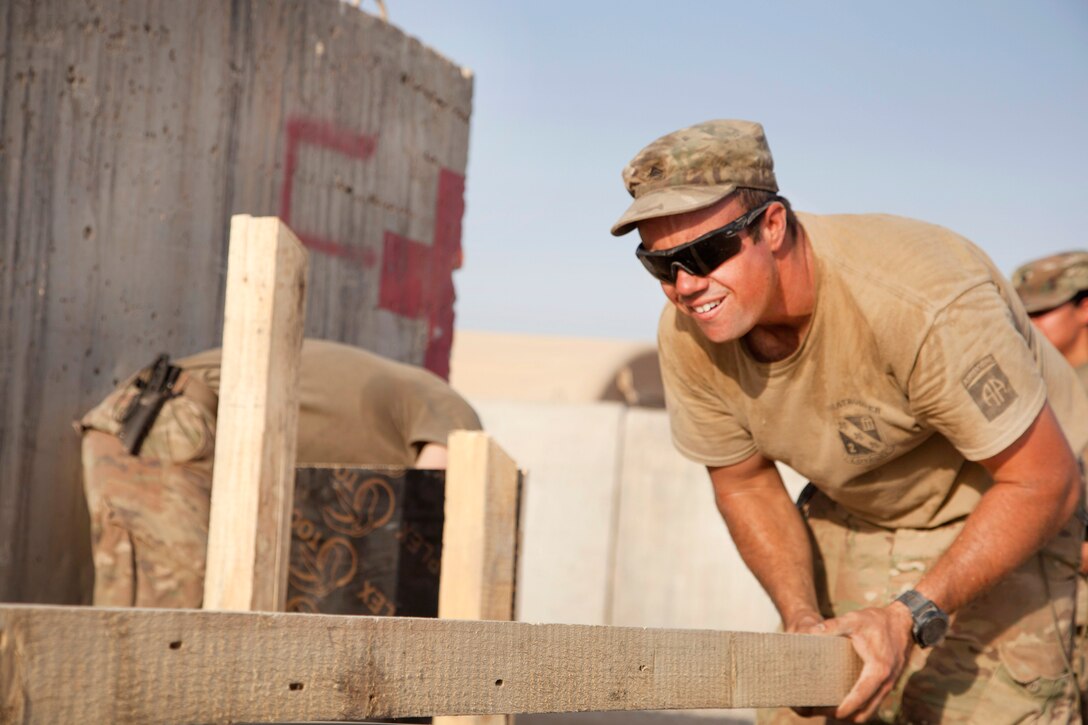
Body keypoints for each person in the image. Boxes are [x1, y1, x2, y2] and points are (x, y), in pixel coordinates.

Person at [611, 119, 1088, 723]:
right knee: (808, 702)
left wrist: (906, 615)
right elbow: (745, 481)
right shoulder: (689, 335)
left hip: (1007, 503)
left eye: (706, 253)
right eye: (659, 265)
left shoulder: (922, 300)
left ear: (773, 227)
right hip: (857, 508)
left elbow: (1044, 482)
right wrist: (800, 615)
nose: (685, 285)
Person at [78, 338, 482, 609]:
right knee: (167, 621)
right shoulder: (458, 420)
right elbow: (431, 503)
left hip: (181, 429)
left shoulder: (406, 404)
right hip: (165, 423)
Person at [1013, 251, 1088, 389]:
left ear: (1085, 309)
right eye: (1024, 315)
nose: (1031, 323)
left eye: (1041, 311)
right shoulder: (1029, 387)